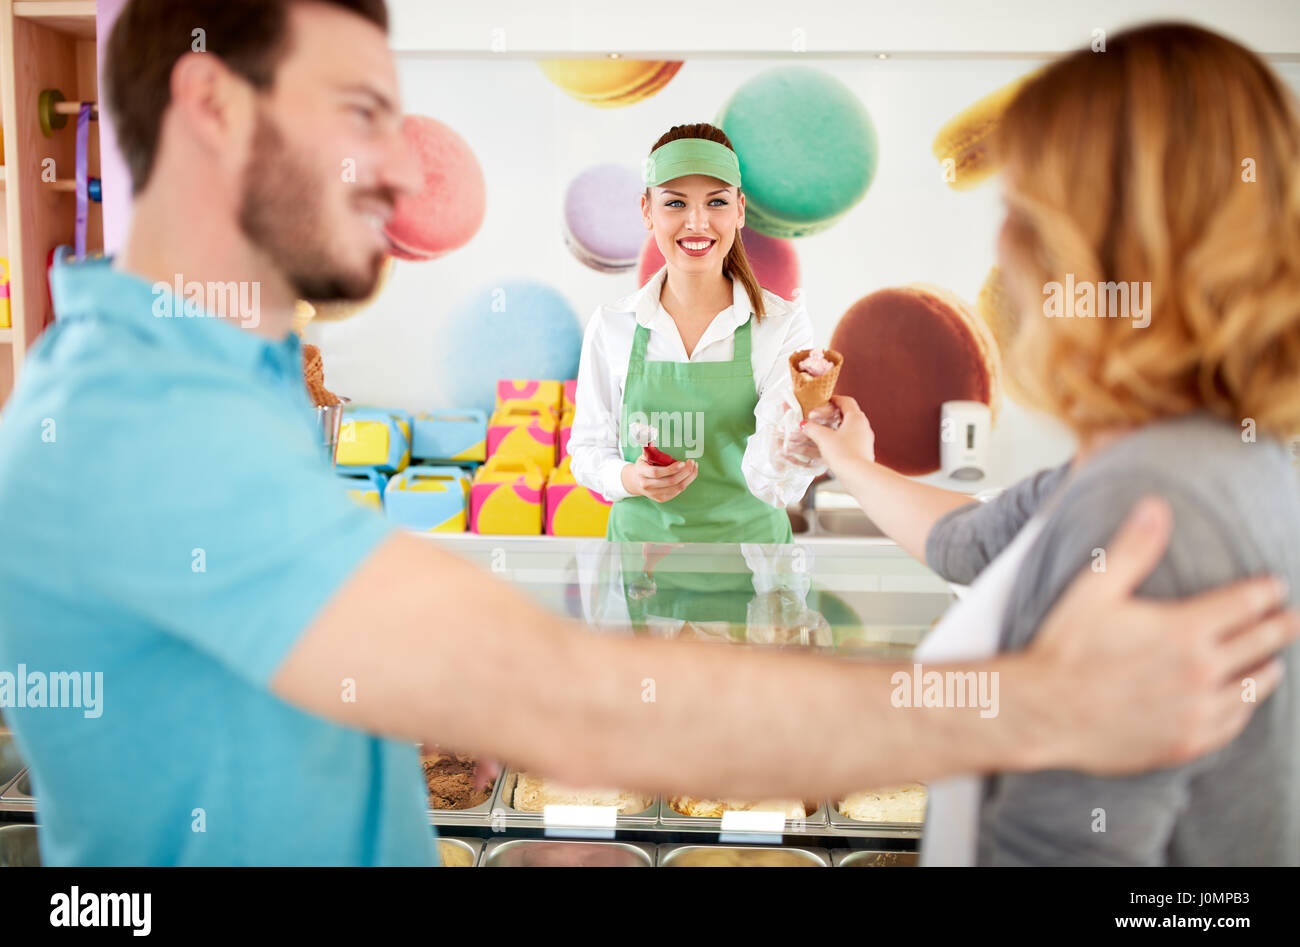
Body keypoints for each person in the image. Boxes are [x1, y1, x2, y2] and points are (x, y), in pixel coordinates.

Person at [0, 0, 1293, 866]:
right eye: (362, 116)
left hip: (737, 564)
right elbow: (559, 699)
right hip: (638, 569)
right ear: (212, 104)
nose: (406, 172)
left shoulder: (244, 383)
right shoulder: (138, 423)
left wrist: (823, 455)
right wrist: (1025, 707)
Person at [803, 22, 1300, 865]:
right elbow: (976, 541)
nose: (1001, 246)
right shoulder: (1185, 455)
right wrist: (852, 461)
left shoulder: (1149, 505)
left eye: (1023, 212)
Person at [568, 123, 834, 544]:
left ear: (740, 210)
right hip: (641, 572)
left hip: (754, 569)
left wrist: (802, 447)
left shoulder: (781, 325)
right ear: (646, 210)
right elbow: (585, 451)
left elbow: (778, 476)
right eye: (675, 203)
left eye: (716, 202)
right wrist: (630, 478)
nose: (697, 222)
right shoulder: (612, 325)